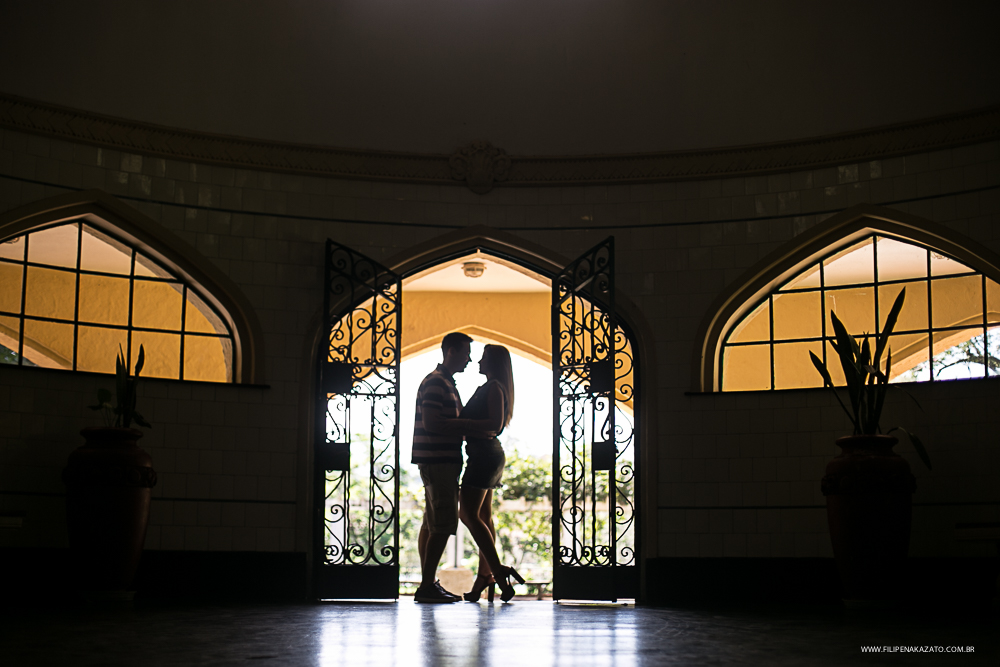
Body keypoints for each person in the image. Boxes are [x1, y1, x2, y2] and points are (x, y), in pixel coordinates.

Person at [411, 331, 478, 603]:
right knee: (443, 523)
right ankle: (427, 586)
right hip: (439, 461)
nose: (469, 360)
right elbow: (432, 423)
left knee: (432, 521)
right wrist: (469, 425)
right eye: (465, 353)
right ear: (450, 351)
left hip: (437, 460)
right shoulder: (438, 383)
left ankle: (428, 583)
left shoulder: (443, 382)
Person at [458, 344, 525, 603]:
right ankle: (484, 577)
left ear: (494, 363)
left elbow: (495, 425)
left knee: (468, 514)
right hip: (485, 455)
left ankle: (497, 573)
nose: (477, 361)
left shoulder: (494, 387)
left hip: (485, 456)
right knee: (483, 517)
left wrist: (460, 424)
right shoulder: (492, 387)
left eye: (483, 357)